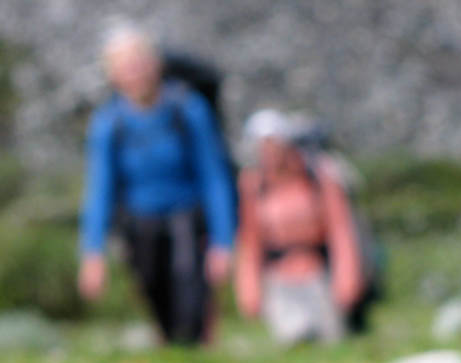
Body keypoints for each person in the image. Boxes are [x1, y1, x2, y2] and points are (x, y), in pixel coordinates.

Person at [77, 25, 235, 345]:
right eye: (125, 67)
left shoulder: (188, 109)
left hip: (187, 222)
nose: (135, 74)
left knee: (191, 307)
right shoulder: (109, 124)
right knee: (158, 302)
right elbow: (101, 189)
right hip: (141, 227)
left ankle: (197, 356)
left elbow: (213, 176)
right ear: (113, 75)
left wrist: (223, 241)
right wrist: (92, 252)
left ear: (156, 65)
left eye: (139, 64)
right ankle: (174, 359)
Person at [234, 110, 363, 345]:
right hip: (278, 280)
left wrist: (347, 279)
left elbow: (341, 231)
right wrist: (249, 289)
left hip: (319, 275)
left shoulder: (319, 177)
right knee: (294, 342)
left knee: (332, 343)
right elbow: (250, 240)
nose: (269, 152)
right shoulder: (253, 185)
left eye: (274, 144)